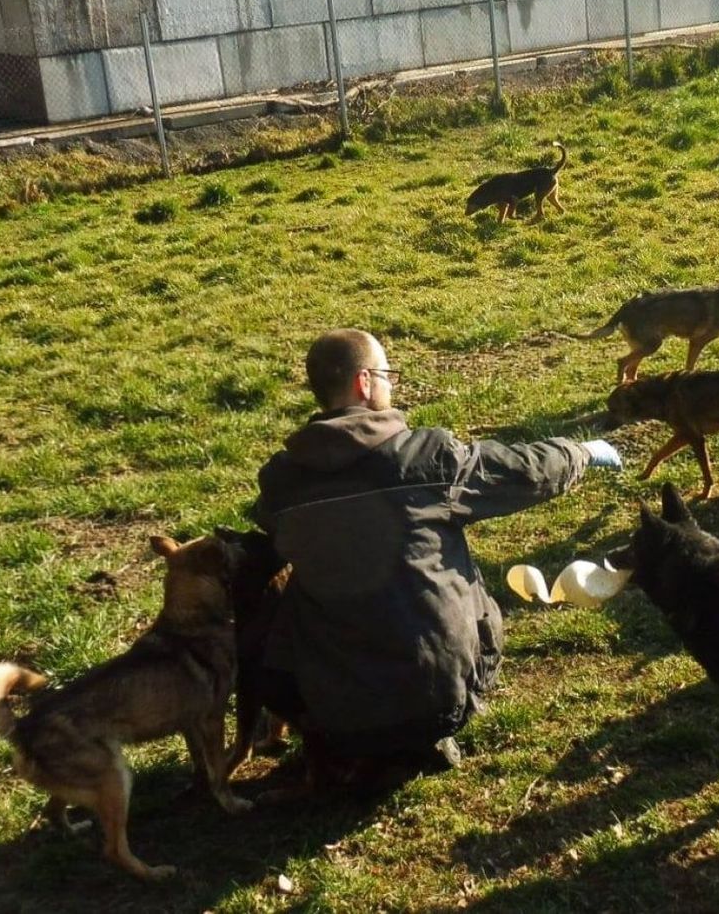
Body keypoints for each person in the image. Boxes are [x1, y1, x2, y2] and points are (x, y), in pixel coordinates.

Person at [252, 328, 622, 772]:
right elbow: (524, 470)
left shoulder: (280, 483)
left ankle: (340, 740)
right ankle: (420, 731)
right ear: (365, 382)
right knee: (457, 573)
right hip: (437, 699)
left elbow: (269, 534)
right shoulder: (427, 458)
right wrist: (582, 450)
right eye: (389, 374)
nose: (393, 384)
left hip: (332, 706)